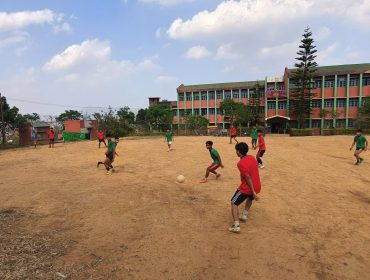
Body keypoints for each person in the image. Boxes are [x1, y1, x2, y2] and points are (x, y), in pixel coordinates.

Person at [229, 142, 261, 233]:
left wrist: (253, 191)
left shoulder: (240, 163)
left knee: (233, 203)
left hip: (247, 188)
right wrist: (254, 191)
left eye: (236, 150)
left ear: (238, 152)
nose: (236, 152)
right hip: (257, 184)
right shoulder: (251, 157)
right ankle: (244, 214)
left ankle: (236, 225)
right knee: (250, 198)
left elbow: (247, 177)